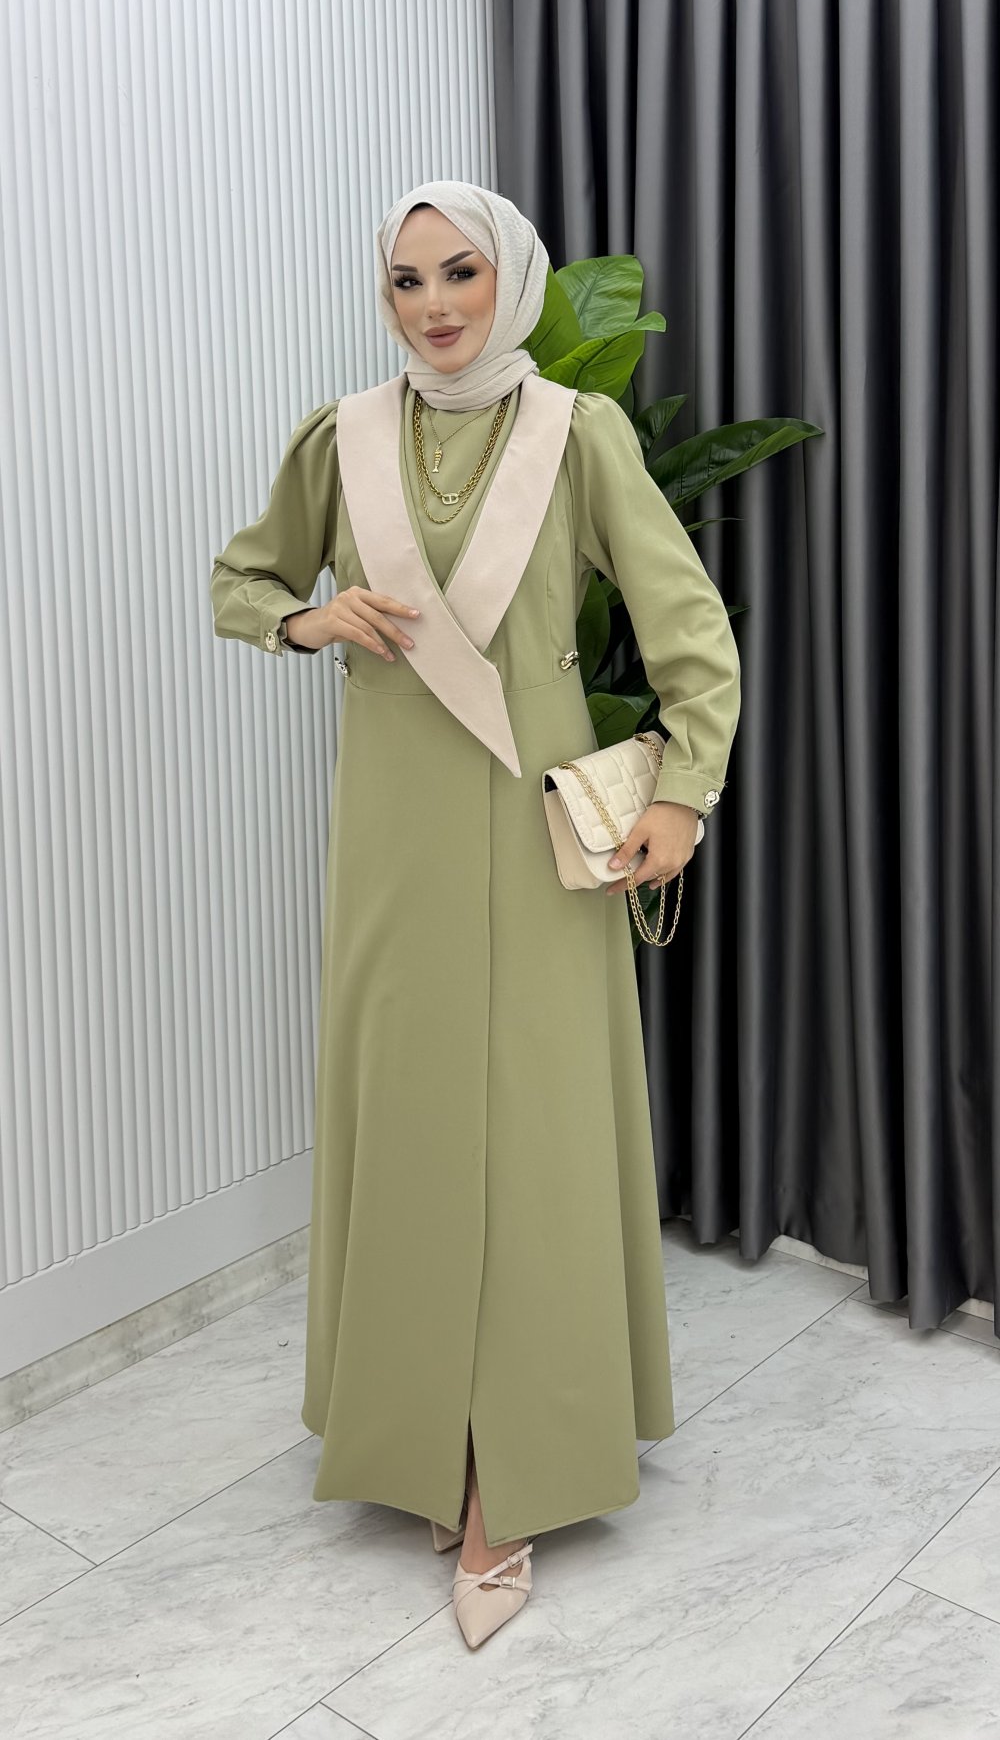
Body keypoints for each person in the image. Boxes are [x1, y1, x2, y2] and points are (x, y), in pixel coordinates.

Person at [209, 179, 741, 1650]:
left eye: (459, 273)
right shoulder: (341, 438)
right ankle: (418, 1434)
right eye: (405, 280)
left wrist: (683, 790)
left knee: (537, 1144)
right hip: (390, 845)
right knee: (413, 1125)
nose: (434, 305)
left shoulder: (582, 434)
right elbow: (243, 578)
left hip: (532, 837)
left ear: (509, 277)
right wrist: (308, 617)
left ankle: (521, 1466)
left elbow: (690, 629)